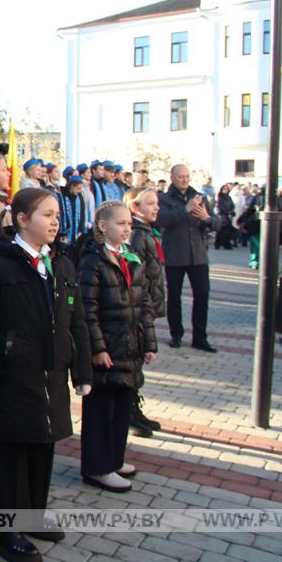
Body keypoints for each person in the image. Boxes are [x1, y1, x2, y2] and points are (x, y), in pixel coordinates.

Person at [0, 187, 92, 562]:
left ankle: (31, 515)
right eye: (46, 215)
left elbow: (77, 321)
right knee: (10, 450)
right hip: (13, 373)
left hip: (52, 373)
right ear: (22, 219)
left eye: (58, 215)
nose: (55, 222)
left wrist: (82, 369)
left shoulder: (63, 264)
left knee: (43, 443)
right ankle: (0, 530)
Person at [79, 200, 157, 493]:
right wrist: (98, 348)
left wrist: (148, 342)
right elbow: (88, 310)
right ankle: (97, 467)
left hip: (129, 346)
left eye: (129, 224)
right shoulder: (93, 261)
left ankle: (114, 458)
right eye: (121, 223)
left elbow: (144, 303)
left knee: (122, 407)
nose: (127, 229)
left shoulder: (131, 258)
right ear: (102, 226)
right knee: (102, 410)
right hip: (107, 349)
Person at [157, 164, 220, 353]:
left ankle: (200, 337)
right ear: (172, 178)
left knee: (202, 294)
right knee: (174, 297)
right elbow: (163, 220)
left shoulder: (199, 197)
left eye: (186, 176)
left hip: (198, 256)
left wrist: (206, 218)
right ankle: (176, 334)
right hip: (175, 255)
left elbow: (217, 223)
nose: (184, 180)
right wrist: (186, 209)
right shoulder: (164, 198)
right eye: (180, 177)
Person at [125, 187, 165, 439]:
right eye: (150, 204)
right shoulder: (137, 236)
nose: (156, 207)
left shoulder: (147, 232)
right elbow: (137, 277)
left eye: (156, 203)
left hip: (147, 306)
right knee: (133, 362)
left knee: (138, 361)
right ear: (135, 208)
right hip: (140, 308)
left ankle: (133, 408)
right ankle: (129, 413)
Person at [60, 174, 90, 247]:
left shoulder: (79, 197)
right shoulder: (63, 196)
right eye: (78, 188)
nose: (79, 191)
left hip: (76, 230)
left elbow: (82, 213)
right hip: (66, 230)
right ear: (71, 186)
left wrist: (80, 229)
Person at [215, 184, 236, 249]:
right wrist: (227, 213)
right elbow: (220, 207)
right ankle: (218, 244)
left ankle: (227, 244)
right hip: (222, 215)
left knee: (228, 231)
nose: (225, 190)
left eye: (226, 189)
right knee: (221, 230)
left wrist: (231, 212)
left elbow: (232, 205)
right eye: (224, 189)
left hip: (228, 216)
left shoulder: (229, 197)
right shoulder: (220, 197)